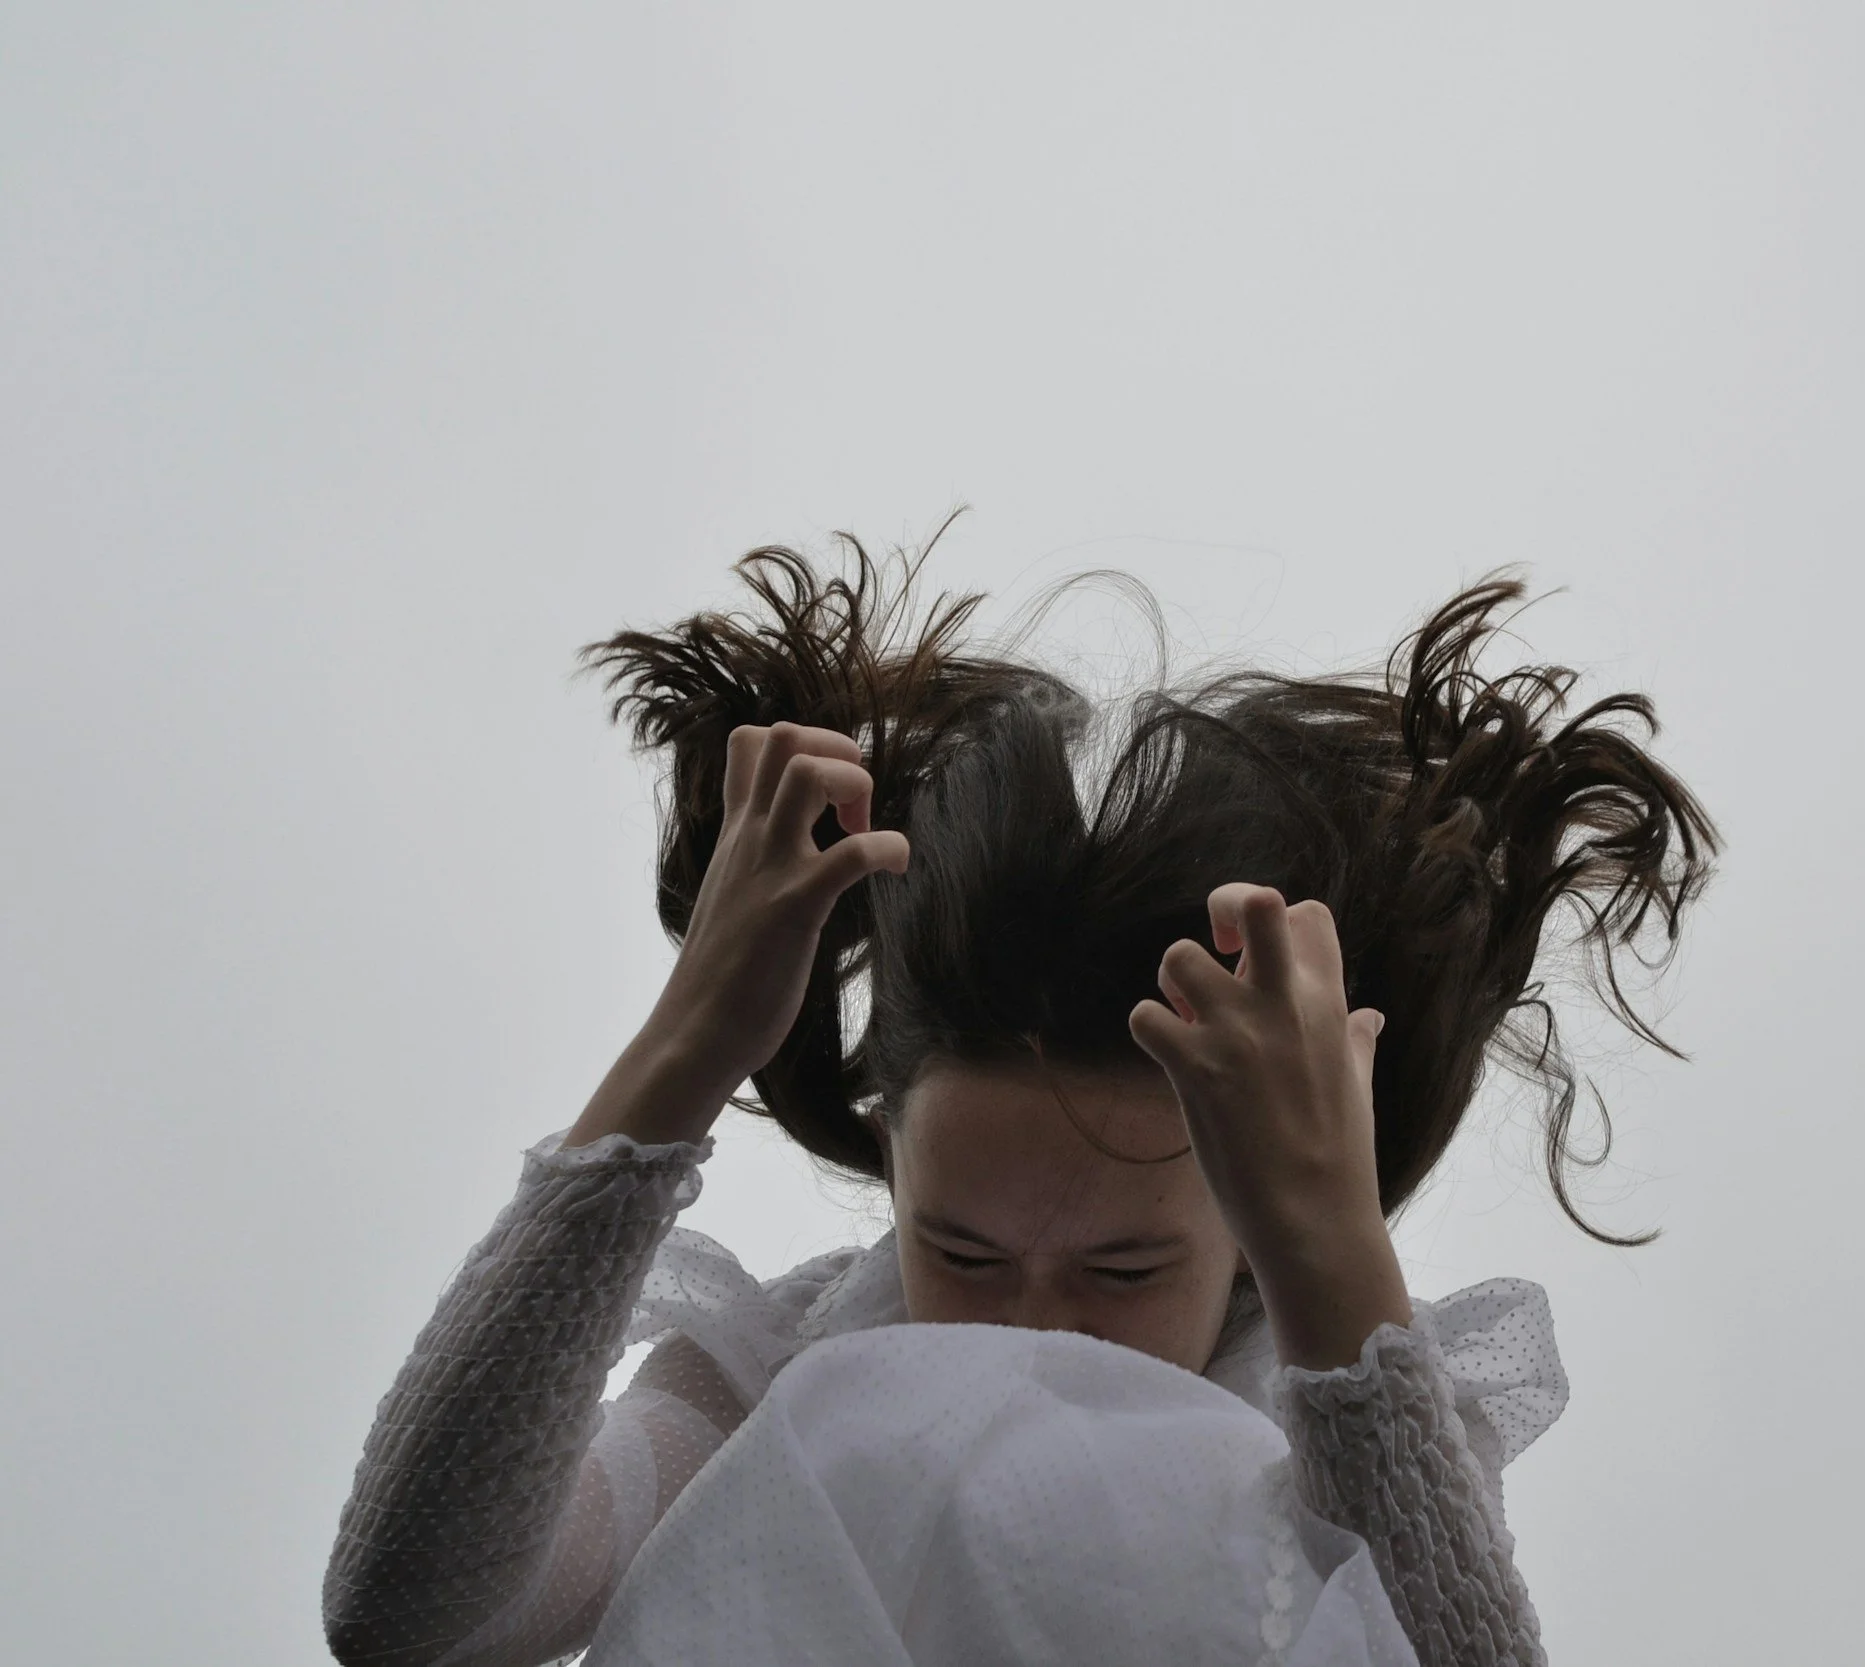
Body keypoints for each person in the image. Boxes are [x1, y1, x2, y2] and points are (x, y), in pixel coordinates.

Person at [321, 537, 1719, 1667]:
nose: (1031, 1331)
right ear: (892, 1161)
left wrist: (1333, 1254)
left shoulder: (1340, 1422)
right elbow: (413, 1616)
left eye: (1124, 1269)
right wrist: (680, 1058)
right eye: (964, 1252)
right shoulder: (781, 1368)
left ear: (1246, 1230)